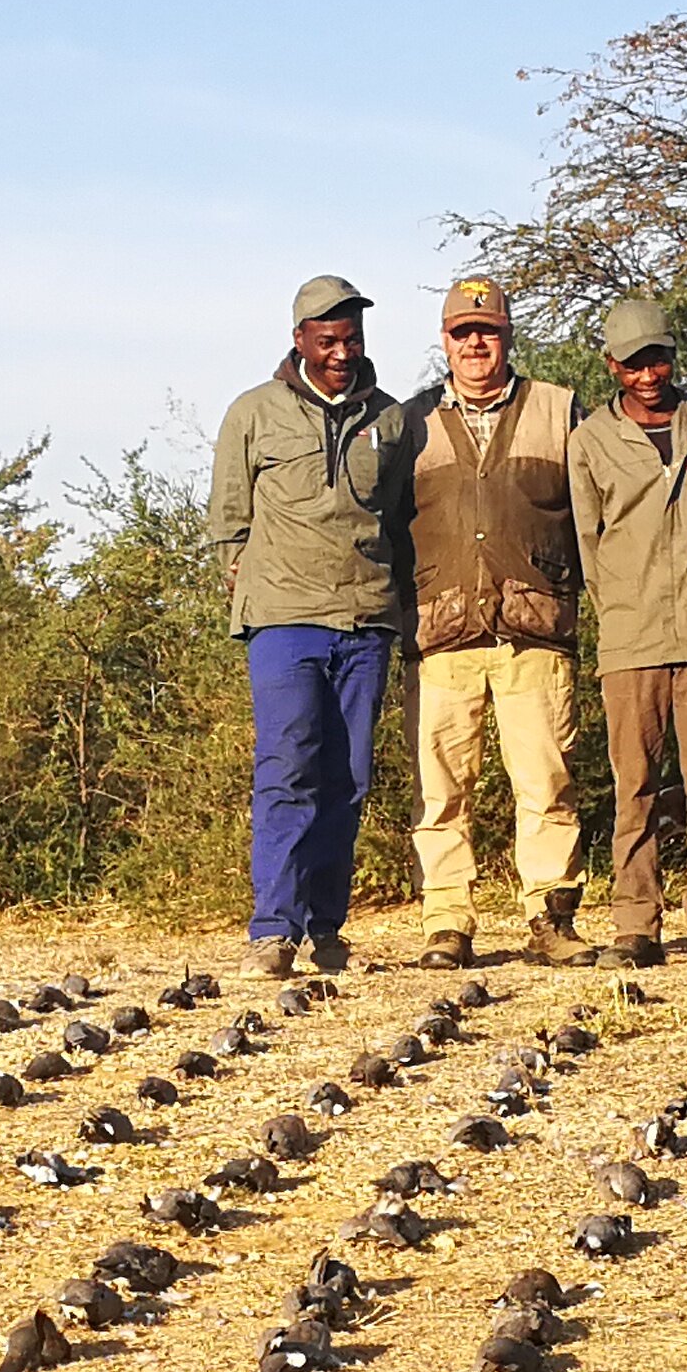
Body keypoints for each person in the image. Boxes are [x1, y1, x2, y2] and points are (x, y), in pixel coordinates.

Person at [205, 272, 413, 978]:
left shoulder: (391, 419)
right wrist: (252, 591)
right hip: (284, 623)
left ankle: (327, 929)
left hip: (363, 621)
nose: (341, 352)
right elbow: (229, 524)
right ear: (299, 340)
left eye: (351, 338)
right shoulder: (253, 413)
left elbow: (399, 519)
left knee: (348, 778)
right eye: (327, 339)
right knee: (287, 770)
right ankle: (273, 929)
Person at [398, 275, 587, 966]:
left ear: (509, 335)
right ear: (445, 341)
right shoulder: (408, 421)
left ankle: (552, 917)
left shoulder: (560, 411)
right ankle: (447, 923)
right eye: (462, 332)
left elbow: (593, 517)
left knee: (547, 783)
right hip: (439, 635)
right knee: (441, 792)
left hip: (533, 632)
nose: (476, 343)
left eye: (489, 331)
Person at [568, 294, 687, 966]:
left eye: (658, 359)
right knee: (633, 786)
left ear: (673, 357)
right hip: (630, 636)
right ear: (613, 366)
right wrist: (618, 614)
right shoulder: (588, 441)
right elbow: (588, 544)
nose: (649, 375)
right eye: (635, 364)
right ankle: (635, 923)